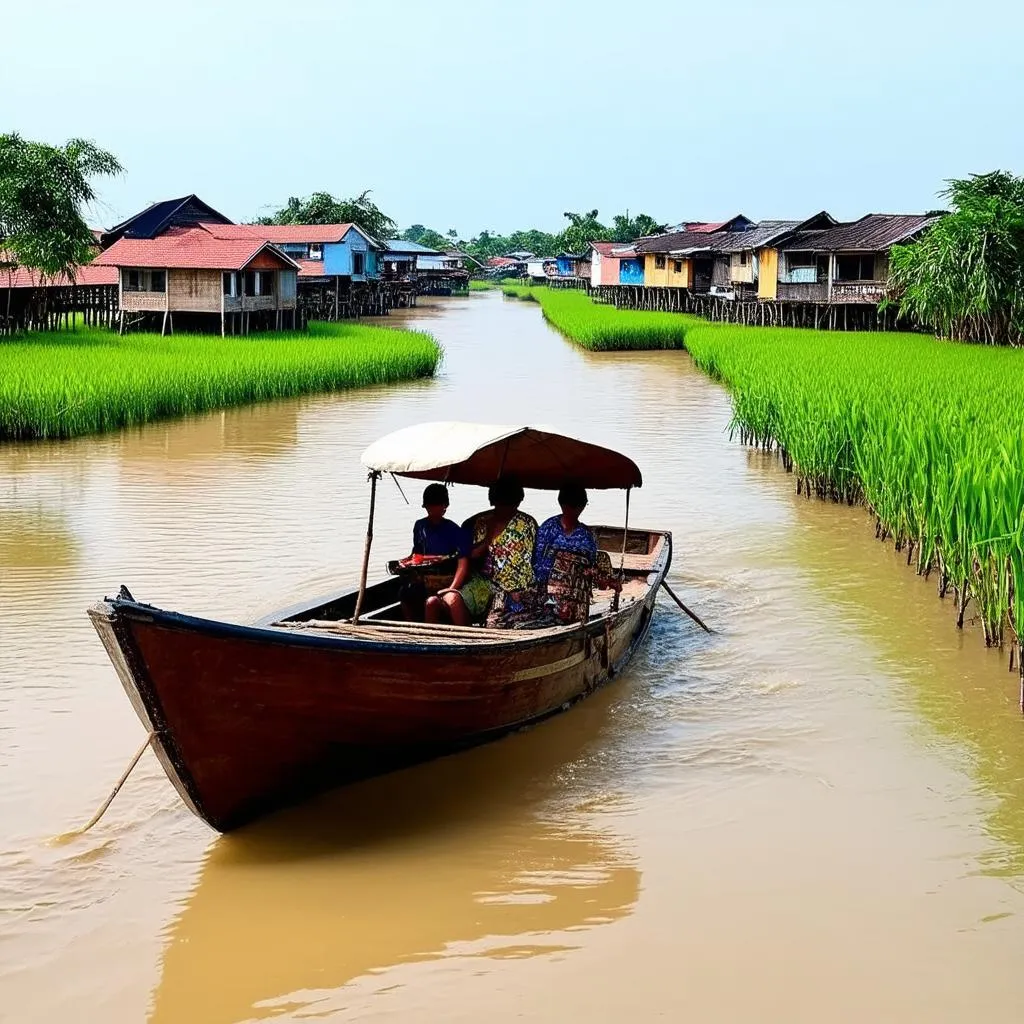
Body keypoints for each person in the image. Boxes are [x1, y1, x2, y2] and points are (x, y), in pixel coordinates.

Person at [533, 484, 618, 624]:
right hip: (548, 595)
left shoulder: (548, 528)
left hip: (569, 598)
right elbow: (593, 572)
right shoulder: (585, 536)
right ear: (583, 506)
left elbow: (537, 562)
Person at [459, 477, 538, 626]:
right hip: (488, 584)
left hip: (523, 587)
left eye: (511, 506)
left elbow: (533, 560)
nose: (507, 511)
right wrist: (489, 536)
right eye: (502, 506)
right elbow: (473, 556)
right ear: (493, 502)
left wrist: (519, 589)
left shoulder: (527, 524)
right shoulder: (481, 523)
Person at [400, 484, 472, 623]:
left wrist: (452, 588)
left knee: (432, 601)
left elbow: (462, 564)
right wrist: (407, 564)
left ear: (445, 506)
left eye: (437, 505)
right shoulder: (420, 526)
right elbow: (417, 554)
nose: (433, 510)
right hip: (425, 577)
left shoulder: (454, 530)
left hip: (446, 578)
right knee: (404, 592)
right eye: (430, 506)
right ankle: (410, 624)